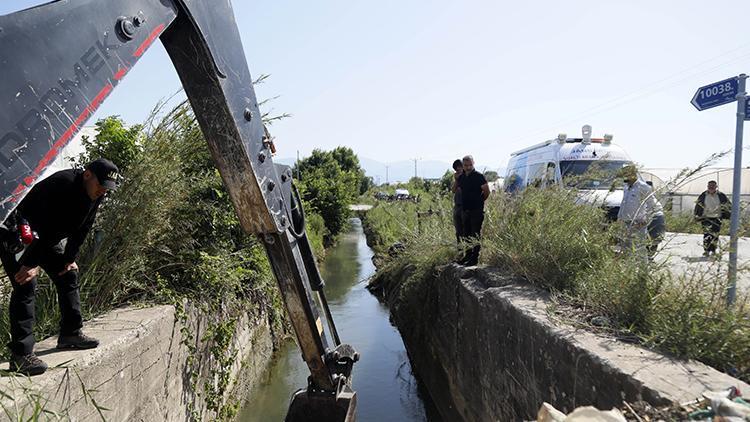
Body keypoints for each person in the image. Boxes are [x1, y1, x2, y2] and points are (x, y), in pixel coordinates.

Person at [0, 158, 119, 375]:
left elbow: (83, 228)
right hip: (17, 233)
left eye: (107, 188)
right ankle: (20, 355)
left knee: (68, 275)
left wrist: (69, 259)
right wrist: (30, 264)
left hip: (45, 238)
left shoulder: (96, 193)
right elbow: (42, 226)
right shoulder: (62, 184)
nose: (103, 191)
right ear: (87, 175)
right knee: (26, 283)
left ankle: (70, 334)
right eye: (101, 185)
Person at [453, 155, 490, 266]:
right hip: (465, 210)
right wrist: (456, 179)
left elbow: (486, 191)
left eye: (470, 165)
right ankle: (468, 256)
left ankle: (474, 259)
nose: (468, 167)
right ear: (463, 165)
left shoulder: (479, 176)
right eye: (466, 165)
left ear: (473, 163)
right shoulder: (462, 177)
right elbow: (454, 189)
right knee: (466, 234)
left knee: (475, 234)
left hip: (476, 210)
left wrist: (479, 201)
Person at [617, 165, 659, 257]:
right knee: (627, 250)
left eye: (626, 174)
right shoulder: (626, 187)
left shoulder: (643, 187)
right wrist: (619, 218)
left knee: (640, 250)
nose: (624, 177)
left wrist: (644, 222)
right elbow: (623, 203)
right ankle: (629, 271)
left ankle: (643, 271)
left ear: (633, 174)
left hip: (638, 225)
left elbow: (653, 207)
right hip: (625, 224)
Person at [694, 180, 731, 257]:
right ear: (707, 187)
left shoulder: (721, 196)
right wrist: (696, 216)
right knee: (707, 235)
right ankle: (707, 250)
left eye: (713, 186)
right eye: (709, 186)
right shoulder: (703, 195)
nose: (711, 188)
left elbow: (728, 205)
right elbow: (698, 206)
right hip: (705, 218)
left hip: (717, 218)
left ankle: (713, 250)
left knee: (715, 235)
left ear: (716, 187)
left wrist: (729, 214)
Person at [644, 181, 666, 258]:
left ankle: (648, 256)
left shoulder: (651, 199)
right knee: (650, 239)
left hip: (653, 217)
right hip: (654, 217)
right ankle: (648, 256)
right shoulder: (651, 198)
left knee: (653, 239)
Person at [451, 159, 464, 243]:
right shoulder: (457, 178)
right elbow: (453, 190)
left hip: (466, 207)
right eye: (456, 169)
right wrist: (456, 180)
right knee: (458, 231)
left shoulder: (469, 176)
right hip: (457, 206)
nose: (458, 170)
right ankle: (460, 251)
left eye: (459, 168)